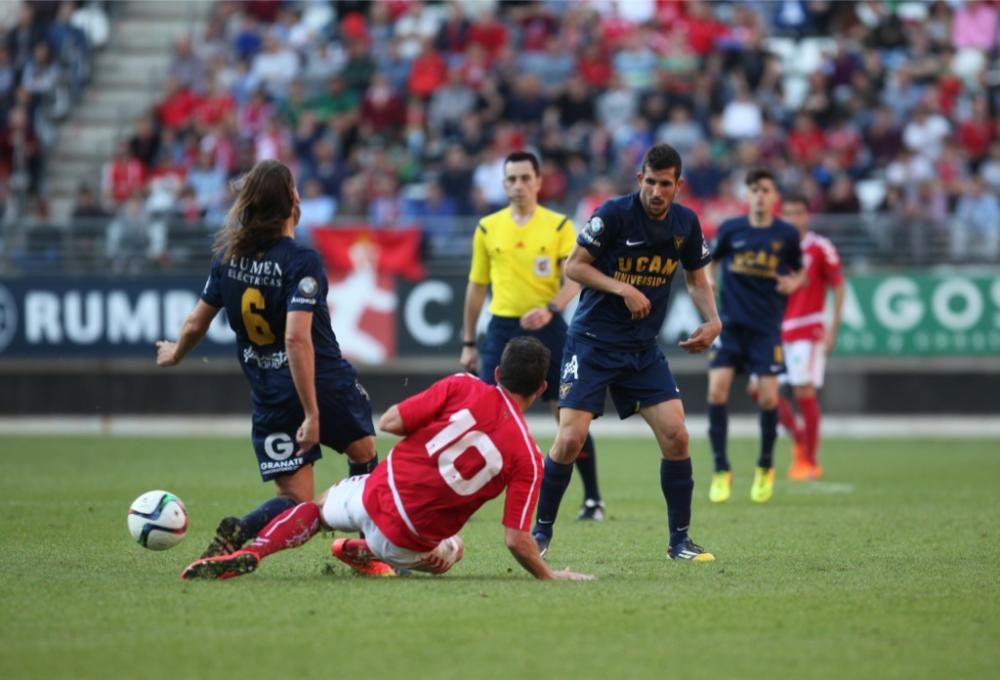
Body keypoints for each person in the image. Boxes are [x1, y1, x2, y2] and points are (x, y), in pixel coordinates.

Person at [180, 337, 594, 582]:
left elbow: (391, 422)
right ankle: (367, 551)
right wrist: (549, 576)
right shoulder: (528, 456)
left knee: (318, 508)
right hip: (407, 542)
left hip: (375, 492)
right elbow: (516, 540)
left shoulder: (463, 385)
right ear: (541, 389)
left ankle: (259, 550)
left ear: (498, 373)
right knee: (456, 549)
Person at [155, 159, 378, 559]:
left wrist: (176, 352)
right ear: (293, 201)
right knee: (363, 457)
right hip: (323, 384)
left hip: (270, 392)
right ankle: (368, 547)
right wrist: (312, 413)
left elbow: (195, 322)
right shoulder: (300, 261)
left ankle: (243, 530)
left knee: (293, 500)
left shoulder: (228, 258)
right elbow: (296, 338)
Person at [530, 143, 722, 562]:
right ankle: (540, 533)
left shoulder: (686, 224)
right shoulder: (613, 214)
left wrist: (714, 320)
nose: (656, 191)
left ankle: (680, 542)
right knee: (570, 438)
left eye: (665, 184)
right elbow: (574, 267)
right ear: (640, 180)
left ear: (678, 185)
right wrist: (623, 288)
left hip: (641, 348)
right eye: (650, 182)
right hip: (593, 342)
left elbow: (696, 279)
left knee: (677, 435)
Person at [460, 150, 606, 521]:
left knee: (569, 414)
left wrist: (551, 309)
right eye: (511, 179)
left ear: (539, 182)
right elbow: (477, 287)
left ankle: (592, 499)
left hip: (550, 328)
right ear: (503, 183)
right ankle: (468, 495)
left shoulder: (558, 226)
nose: (519, 185)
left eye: (525, 178)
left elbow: (575, 277)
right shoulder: (487, 228)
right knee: (486, 414)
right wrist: (468, 342)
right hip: (502, 328)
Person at [706, 168, 804, 504]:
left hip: (765, 329)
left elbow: (798, 270)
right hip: (731, 327)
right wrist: (710, 284)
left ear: (775, 196)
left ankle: (765, 466)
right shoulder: (731, 229)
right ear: (747, 195)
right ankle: (721, 469)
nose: (760, 195)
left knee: (768, 398)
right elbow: (710, 261)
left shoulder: (786, 234)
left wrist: (793, 283)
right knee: (716, 391)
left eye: (765, 190)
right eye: (754, 190)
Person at [773, 193, 844, 480]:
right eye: (787, 213)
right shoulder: (776, 248)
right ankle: (801, 439)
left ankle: (810, 461)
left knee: (804, 390)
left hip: (808, 327)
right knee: (762, 391)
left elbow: (839, 287)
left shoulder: (819, 248)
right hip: (778, 329)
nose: (792, 219)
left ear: (807, 216)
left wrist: (833, 328)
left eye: (797, 213)